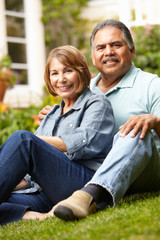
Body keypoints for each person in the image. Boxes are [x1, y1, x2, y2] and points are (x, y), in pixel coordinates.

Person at [38, 19, 160, 221]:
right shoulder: (83, 92)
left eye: (116, 45)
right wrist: (56, 117)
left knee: (133, 127)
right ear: (93, 58)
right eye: (101, 47)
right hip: (92, 169)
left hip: (145, 170)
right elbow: (76, 141)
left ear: (132, 51)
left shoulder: (152, 85)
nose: (108, 52)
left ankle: (91, 196)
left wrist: (154, 121)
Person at [0, 45, 115, 226]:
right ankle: (42, 216)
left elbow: (87, 142)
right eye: (54, 73)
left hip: (81, 185)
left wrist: (36, 142)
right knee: (5, 198)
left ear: (81, 72)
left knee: (23, 139)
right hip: (46, 193)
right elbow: (30, 167)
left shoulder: (97, 103)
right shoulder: (52, 114)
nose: (61, 79)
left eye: (68, 71)